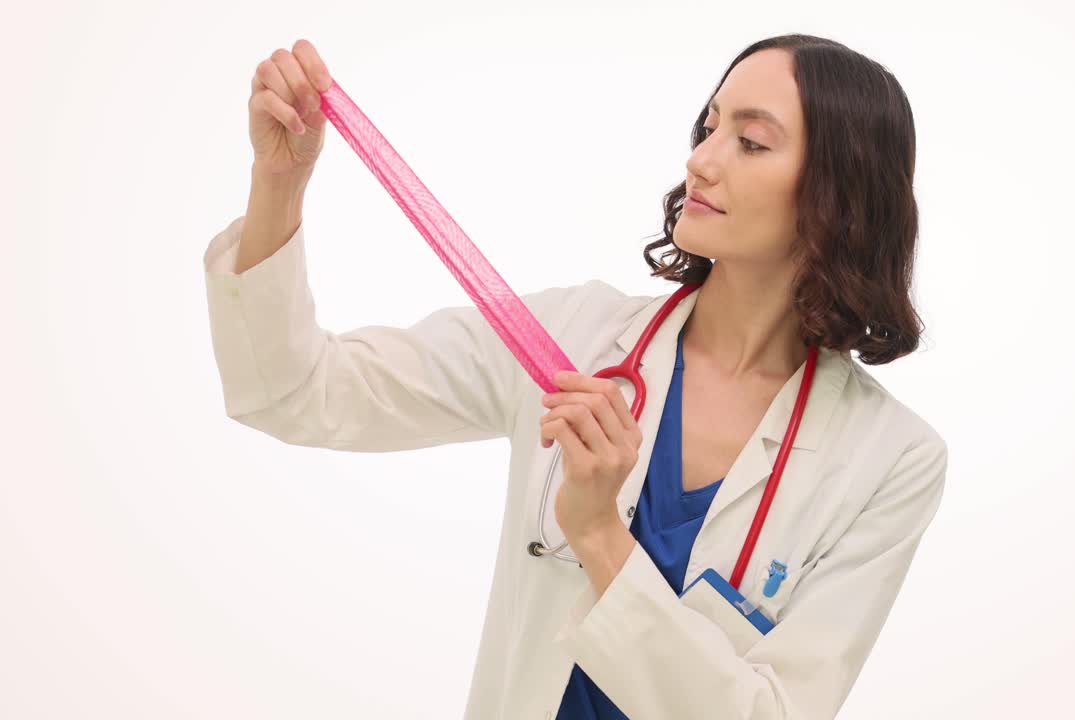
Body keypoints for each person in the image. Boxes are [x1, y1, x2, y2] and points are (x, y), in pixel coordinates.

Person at [203, 33, 948, 720]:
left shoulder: (889, 460)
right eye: (708, 126)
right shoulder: (569, 342)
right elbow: (299, 394)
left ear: (837, 199)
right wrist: (280, 182)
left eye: (750, 141)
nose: (703, 158)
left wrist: (596, 530)